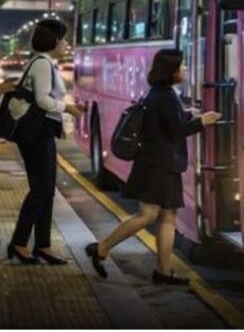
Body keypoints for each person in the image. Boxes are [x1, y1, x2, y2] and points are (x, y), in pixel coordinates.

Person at [85, 49, 221, 286]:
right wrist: (202, 121)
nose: (185, 69)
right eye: (182, 66)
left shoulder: (159, 93)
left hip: (159, 164)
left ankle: (162, 271)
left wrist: (186, 114)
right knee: (148, 215)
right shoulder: (166, 97)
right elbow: (175, 132)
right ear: (172, 71)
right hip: (159, 166)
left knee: (167, 216)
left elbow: (165, 123)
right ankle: (102, 248)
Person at [8, 19, 84, 265]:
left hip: (42, 131)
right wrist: (67, 108)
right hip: (37, 133)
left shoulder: (44, 62)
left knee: (46, 190)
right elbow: (42, 100)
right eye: (62, 39)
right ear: (53, 40)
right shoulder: (42, 64)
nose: (65, 43)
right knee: (41, 189)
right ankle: (19, 242)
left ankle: (43, 245)